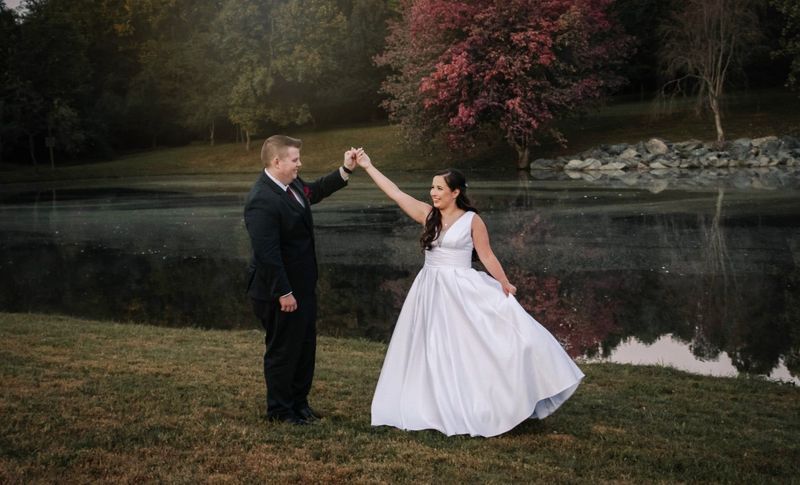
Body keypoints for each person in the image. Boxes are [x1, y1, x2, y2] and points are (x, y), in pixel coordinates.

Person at [356, 150, 585, 437]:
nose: (433, 192)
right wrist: (368, 166)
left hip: (461, 291)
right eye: (432, 187)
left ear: (455, 192)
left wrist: (504, 282)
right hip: (429, 290)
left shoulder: (472, 221)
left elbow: (487, 256)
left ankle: (489, 402)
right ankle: (431, 403)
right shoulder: (429, 215)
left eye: (439, 188)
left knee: (472, 347)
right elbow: (395, 193)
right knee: (430, 348)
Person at [244, 135, 357, 425]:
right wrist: (284, 292)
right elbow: (267, 254)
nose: (299, 164)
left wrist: (345, 169)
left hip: (302, 288)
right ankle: (280, 412)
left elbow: (315, 190)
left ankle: (299, 405)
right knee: (283, 350)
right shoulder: (261, 200)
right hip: (279, 292)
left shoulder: (291, 185)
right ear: (276, 161)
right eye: (295, 160)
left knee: (304, 347)